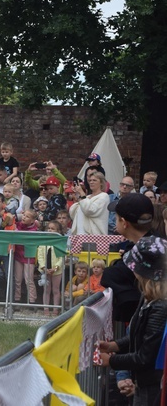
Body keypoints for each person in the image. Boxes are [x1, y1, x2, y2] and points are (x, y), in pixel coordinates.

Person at [98, 236, 167, 406]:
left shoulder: (160, 306)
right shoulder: (148, 296)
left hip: (153, 386)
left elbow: (146, 356)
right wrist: (116, 346)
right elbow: (140, 333)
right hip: (143, 381)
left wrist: (111, 361)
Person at [102, 193, 155, 323]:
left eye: (116, 216)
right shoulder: (154, 243)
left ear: (124, 223)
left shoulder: (144, 252)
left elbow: (111, 275)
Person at [37, 220, 65, 316]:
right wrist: (44, 267)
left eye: (52, 229)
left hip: (57, 270)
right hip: (45, 270)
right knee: (46, 290)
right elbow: (40, 255)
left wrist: (56, 268)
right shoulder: (43, 242)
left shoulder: (60, 242)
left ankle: (56, 309)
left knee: (56, 290)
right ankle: (46, 309)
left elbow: (62, 257)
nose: (50, 230)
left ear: (58, 231)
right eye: (48, 228)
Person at [69, 171, 109, 235]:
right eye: (90, 180)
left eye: (94, 180)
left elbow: (89, 210)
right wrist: (78, 195)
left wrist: (82, 193)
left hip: (94, 236)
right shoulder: (87, 197)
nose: (91, 182)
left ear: (101, 183)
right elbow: (73, 213)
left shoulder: (104, 196)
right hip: (79, 235)